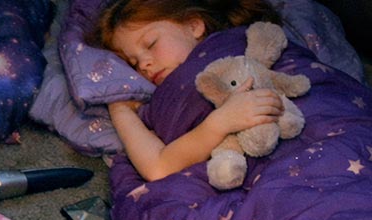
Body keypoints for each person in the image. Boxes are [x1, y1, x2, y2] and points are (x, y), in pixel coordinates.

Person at [92, 0, 288, 181]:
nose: (144, 64)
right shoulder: (168, 97)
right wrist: (119, 106)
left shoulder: (241, 43)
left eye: (151, 44)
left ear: (194, 26)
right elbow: (159, 167)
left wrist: (221, 121)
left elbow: (158, 166)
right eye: (133, 64)